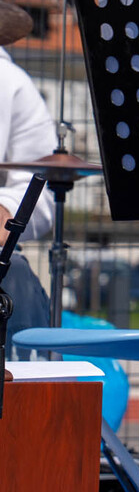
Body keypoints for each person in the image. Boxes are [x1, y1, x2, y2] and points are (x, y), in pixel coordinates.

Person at [0, 46, 55, 354]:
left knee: (14, 273)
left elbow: (39, 189)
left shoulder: (9, 81)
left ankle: (22, 378)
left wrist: (5, 209)